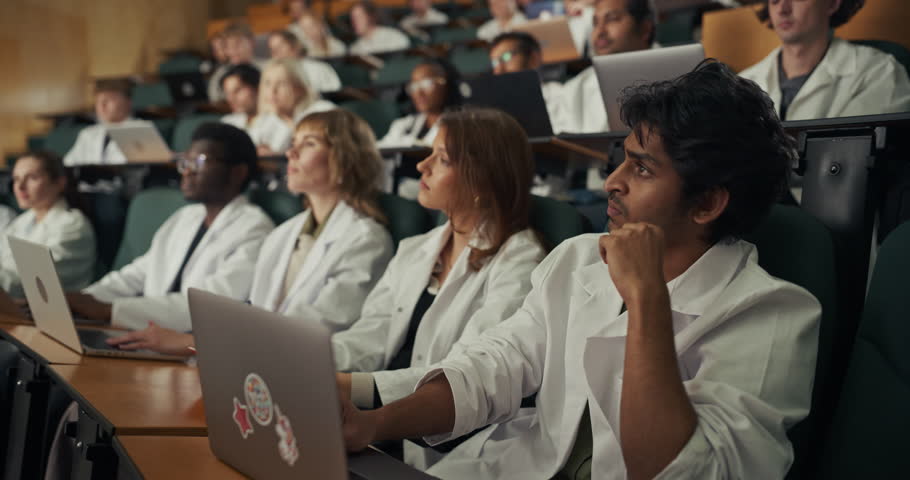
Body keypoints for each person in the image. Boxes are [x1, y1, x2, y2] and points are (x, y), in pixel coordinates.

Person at [340, 62, 822, 479]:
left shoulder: (773, 314)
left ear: (708, 203)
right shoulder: (579, 257)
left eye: (643, 169)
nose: (613, 182)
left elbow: (683, 471)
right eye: (621, 161)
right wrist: (375, 424)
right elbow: (492, 367)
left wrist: (647, 300)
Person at [334, 107, 547, 469]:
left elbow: (464, 373)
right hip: (371, 427)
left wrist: (355, 387)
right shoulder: (417, 248)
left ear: (482, 179)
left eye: (442, 159)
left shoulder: (520, 263)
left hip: (447, 448)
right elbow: (370, 335)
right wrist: (314, 362)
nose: (422, 166)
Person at [106, 110, 395, 355]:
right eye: (292, 143)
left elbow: (312, 329)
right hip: (258, 365)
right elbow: (258, 314)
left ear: (345, 161)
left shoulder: (367, 240)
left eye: (308, 144)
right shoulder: (283, 234)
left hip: (309, 378)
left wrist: (192, 344)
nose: (290, 153)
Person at [65, 123, 274, 332]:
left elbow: (210, 306)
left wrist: (109, 310)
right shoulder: (184, 217)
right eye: (185, 161)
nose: (187, 171)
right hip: (147, 333)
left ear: (238, 172)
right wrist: (83, 299)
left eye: (199, 162)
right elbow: (137, 274)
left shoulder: (255, 230)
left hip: (192, 347)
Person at [740, 0, 910, 120]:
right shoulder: (741, 84)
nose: (782, 9)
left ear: (833, 3)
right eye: (775, 0)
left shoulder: (879, 71)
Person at [0, 151, 96, 297]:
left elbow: (37, 280)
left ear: (59, 183)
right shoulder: (20, 222)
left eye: (32, 178)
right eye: (16, 179)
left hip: (56, 313)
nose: (20, 186)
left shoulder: (73, 224)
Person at [561, 0, 656, 134]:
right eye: (595, 23)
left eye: (611, 19)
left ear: (644, 29)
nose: (599, 31)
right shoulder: (580, 84)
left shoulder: (677, 76)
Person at [247, 59, 337, 155]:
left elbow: (324, 151)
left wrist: (278, 156)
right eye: (267, 83)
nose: (272, 91)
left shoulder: (323, 110)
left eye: (282, 83)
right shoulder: (266, 119)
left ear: (300, 88)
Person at [489, 31, 569, 133]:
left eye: (506, 57)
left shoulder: (560, 96)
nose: (498, 69)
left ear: (533, 59)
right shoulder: (493, 109)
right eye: (494, 62)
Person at [63, 79, 154, 166]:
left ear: (128, 102)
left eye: (108, 100)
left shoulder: (141, 130)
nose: (102, 105)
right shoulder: (88, 134)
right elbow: (69, 164)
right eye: (98, 101)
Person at [379, 58, 463, 149]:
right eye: (414, 86)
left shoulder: (460, 126)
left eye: (426, 83)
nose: (419, 93)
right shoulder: (402, 125)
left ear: (447, 85)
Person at [267, 29, 342, 92]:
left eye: (280, 46)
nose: (276, 52)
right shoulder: (272, 76)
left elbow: (334, 93)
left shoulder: (318, 68)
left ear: (294, 46)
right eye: (272, 49)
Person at [208, 23, 265, 102]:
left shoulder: (268, 68)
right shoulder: (220, 75)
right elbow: (215, 102)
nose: (232, 50)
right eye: (227, 46)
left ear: (252, 42)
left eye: (237, 44)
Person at [220, 63, 261, 130]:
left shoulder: (278, 123)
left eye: (237, 91)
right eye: (227, 93)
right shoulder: (228, 122)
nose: (230, 99)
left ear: (257, 88)